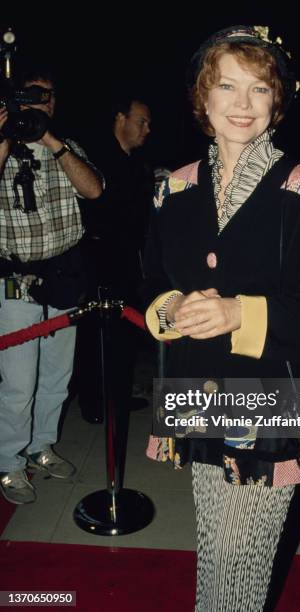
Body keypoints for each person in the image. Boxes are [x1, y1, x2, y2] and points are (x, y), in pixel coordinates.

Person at [143, 25, 300, 611]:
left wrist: (239, 312)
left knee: (243, 561)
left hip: (276, 393)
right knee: (213, 541)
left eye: (258, 89)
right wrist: (172, 308)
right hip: (199, 386)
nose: (241, 105)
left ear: (277, 99)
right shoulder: (174, 188)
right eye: (226, 86)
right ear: (201, 98)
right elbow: (151, 281)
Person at [0, 70, 103, 505]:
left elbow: (94, 190)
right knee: (19, 382)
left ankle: (42, 446)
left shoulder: (66, 148)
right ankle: (8, 463)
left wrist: (50, 141)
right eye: (32, 97)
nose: (41, 104)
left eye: (48, 97)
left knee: (57, 376)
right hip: (15, 280)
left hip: (65, 276)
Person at [76, 95, 154, 423]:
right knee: (95, 336)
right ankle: (94, 403)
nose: (147, 129)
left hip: (125, 258)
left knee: (124, 333)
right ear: (121, 119)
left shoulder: (138, 163)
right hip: (97, 259)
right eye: (142, 122)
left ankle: (117, 396)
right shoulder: (95, 158)